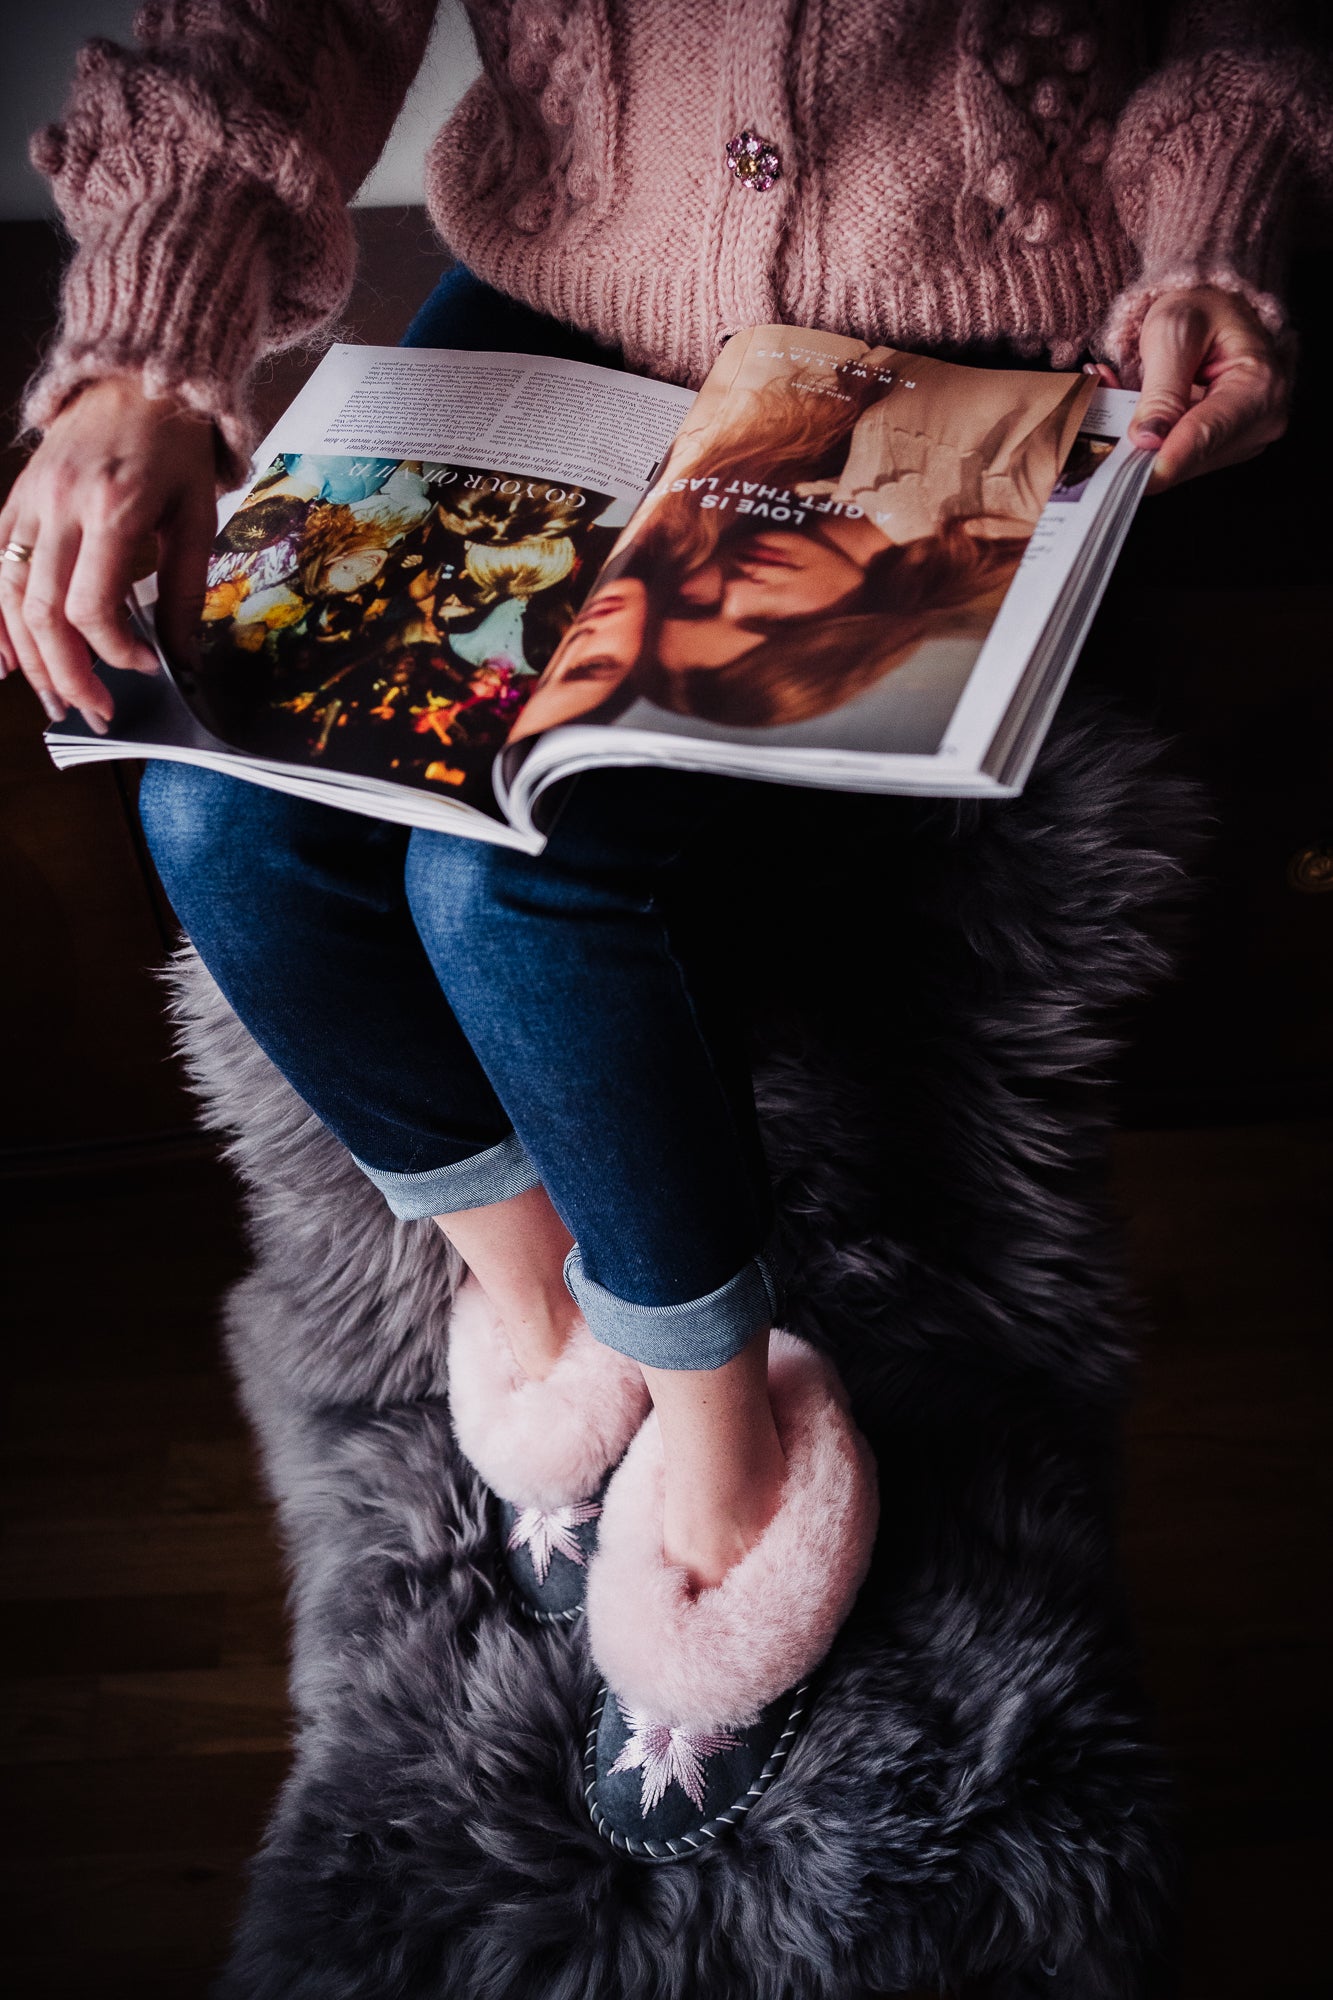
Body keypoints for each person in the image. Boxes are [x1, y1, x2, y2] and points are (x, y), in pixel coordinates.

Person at [0, 1, 1317, 1865]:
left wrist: (1216, 233)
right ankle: (538, 1317)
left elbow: (1238, 29)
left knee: (516, 868)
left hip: (951, 357)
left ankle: (727, 1438)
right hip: (552, 317)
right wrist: (140, 351)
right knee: (210, 800)